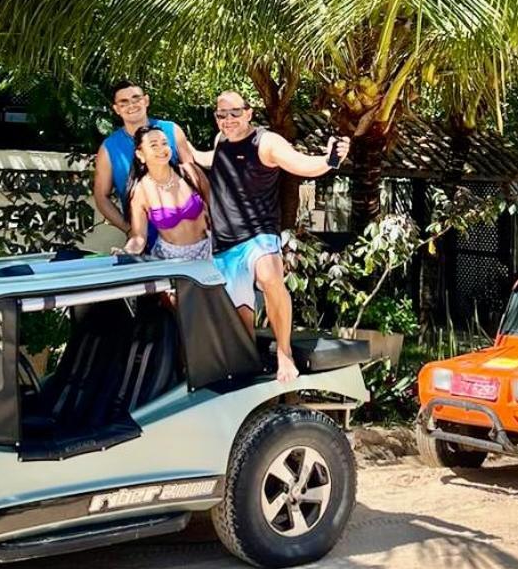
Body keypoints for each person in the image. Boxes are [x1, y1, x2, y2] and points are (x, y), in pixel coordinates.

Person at [191, 91, 350, 383]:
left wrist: (330, 160)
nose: (228, 120)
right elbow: (211, 159)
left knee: (269, 276)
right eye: (221, 115)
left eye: (235, 113)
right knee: (241, 319)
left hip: (259, 234)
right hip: (226, 243)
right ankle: (246, 369)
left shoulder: (267, 143)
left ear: (249, 113)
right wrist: (183, 149)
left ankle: (285, 352)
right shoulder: (221, 141)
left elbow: (300, 164)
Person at [93, 81, 195, 242]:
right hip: (145, 242)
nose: (131, 105)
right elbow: (101, 196)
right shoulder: (109, 148)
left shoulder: (171, 131)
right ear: (116, 109)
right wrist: (130, 230)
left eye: (136, 99)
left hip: (187, 235)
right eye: (124, 102)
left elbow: (193, 177)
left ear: (146, 101)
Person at [123, 126, 213, 261]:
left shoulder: (190, 173)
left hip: (208, 250)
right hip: (171, 260)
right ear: (140, 154)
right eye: (154, 145)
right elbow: (139, 237)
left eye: (164, 143)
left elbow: (216, 209)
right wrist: (125, 253)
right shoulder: (141, 191)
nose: (161, 149)